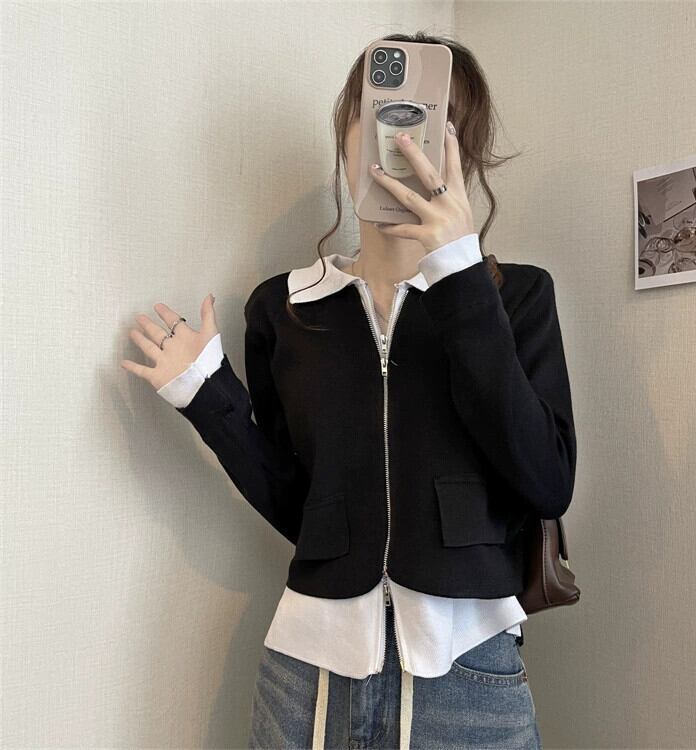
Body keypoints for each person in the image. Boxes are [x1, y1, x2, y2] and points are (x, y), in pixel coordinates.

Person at [121, 32, 576, 750]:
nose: (406, 138)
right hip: (306, 678)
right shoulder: (285, 309)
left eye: (432, 118)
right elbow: (305, 512)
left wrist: (460, 275)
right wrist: (206, 395)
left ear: (466, 152)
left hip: (468, 675)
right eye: (384, 112)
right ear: (347, 134)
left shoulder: (512, 298)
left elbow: (546, 481)